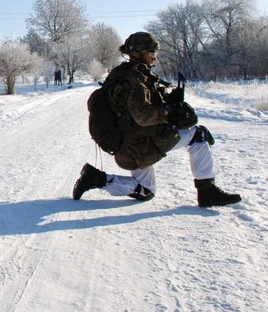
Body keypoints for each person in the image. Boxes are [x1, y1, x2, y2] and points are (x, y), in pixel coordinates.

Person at [73, 32, 242, 208]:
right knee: (198, 135)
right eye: (151, 54)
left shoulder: (127, 74)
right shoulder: (134, 80)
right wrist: (169, 109)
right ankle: (208, 192)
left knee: (146, 190)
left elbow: (135, 109)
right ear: (139, 54)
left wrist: (168, 99)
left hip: (130, 145)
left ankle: (95, 179)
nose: (155, 58)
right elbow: (143, 116)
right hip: (139, 146)